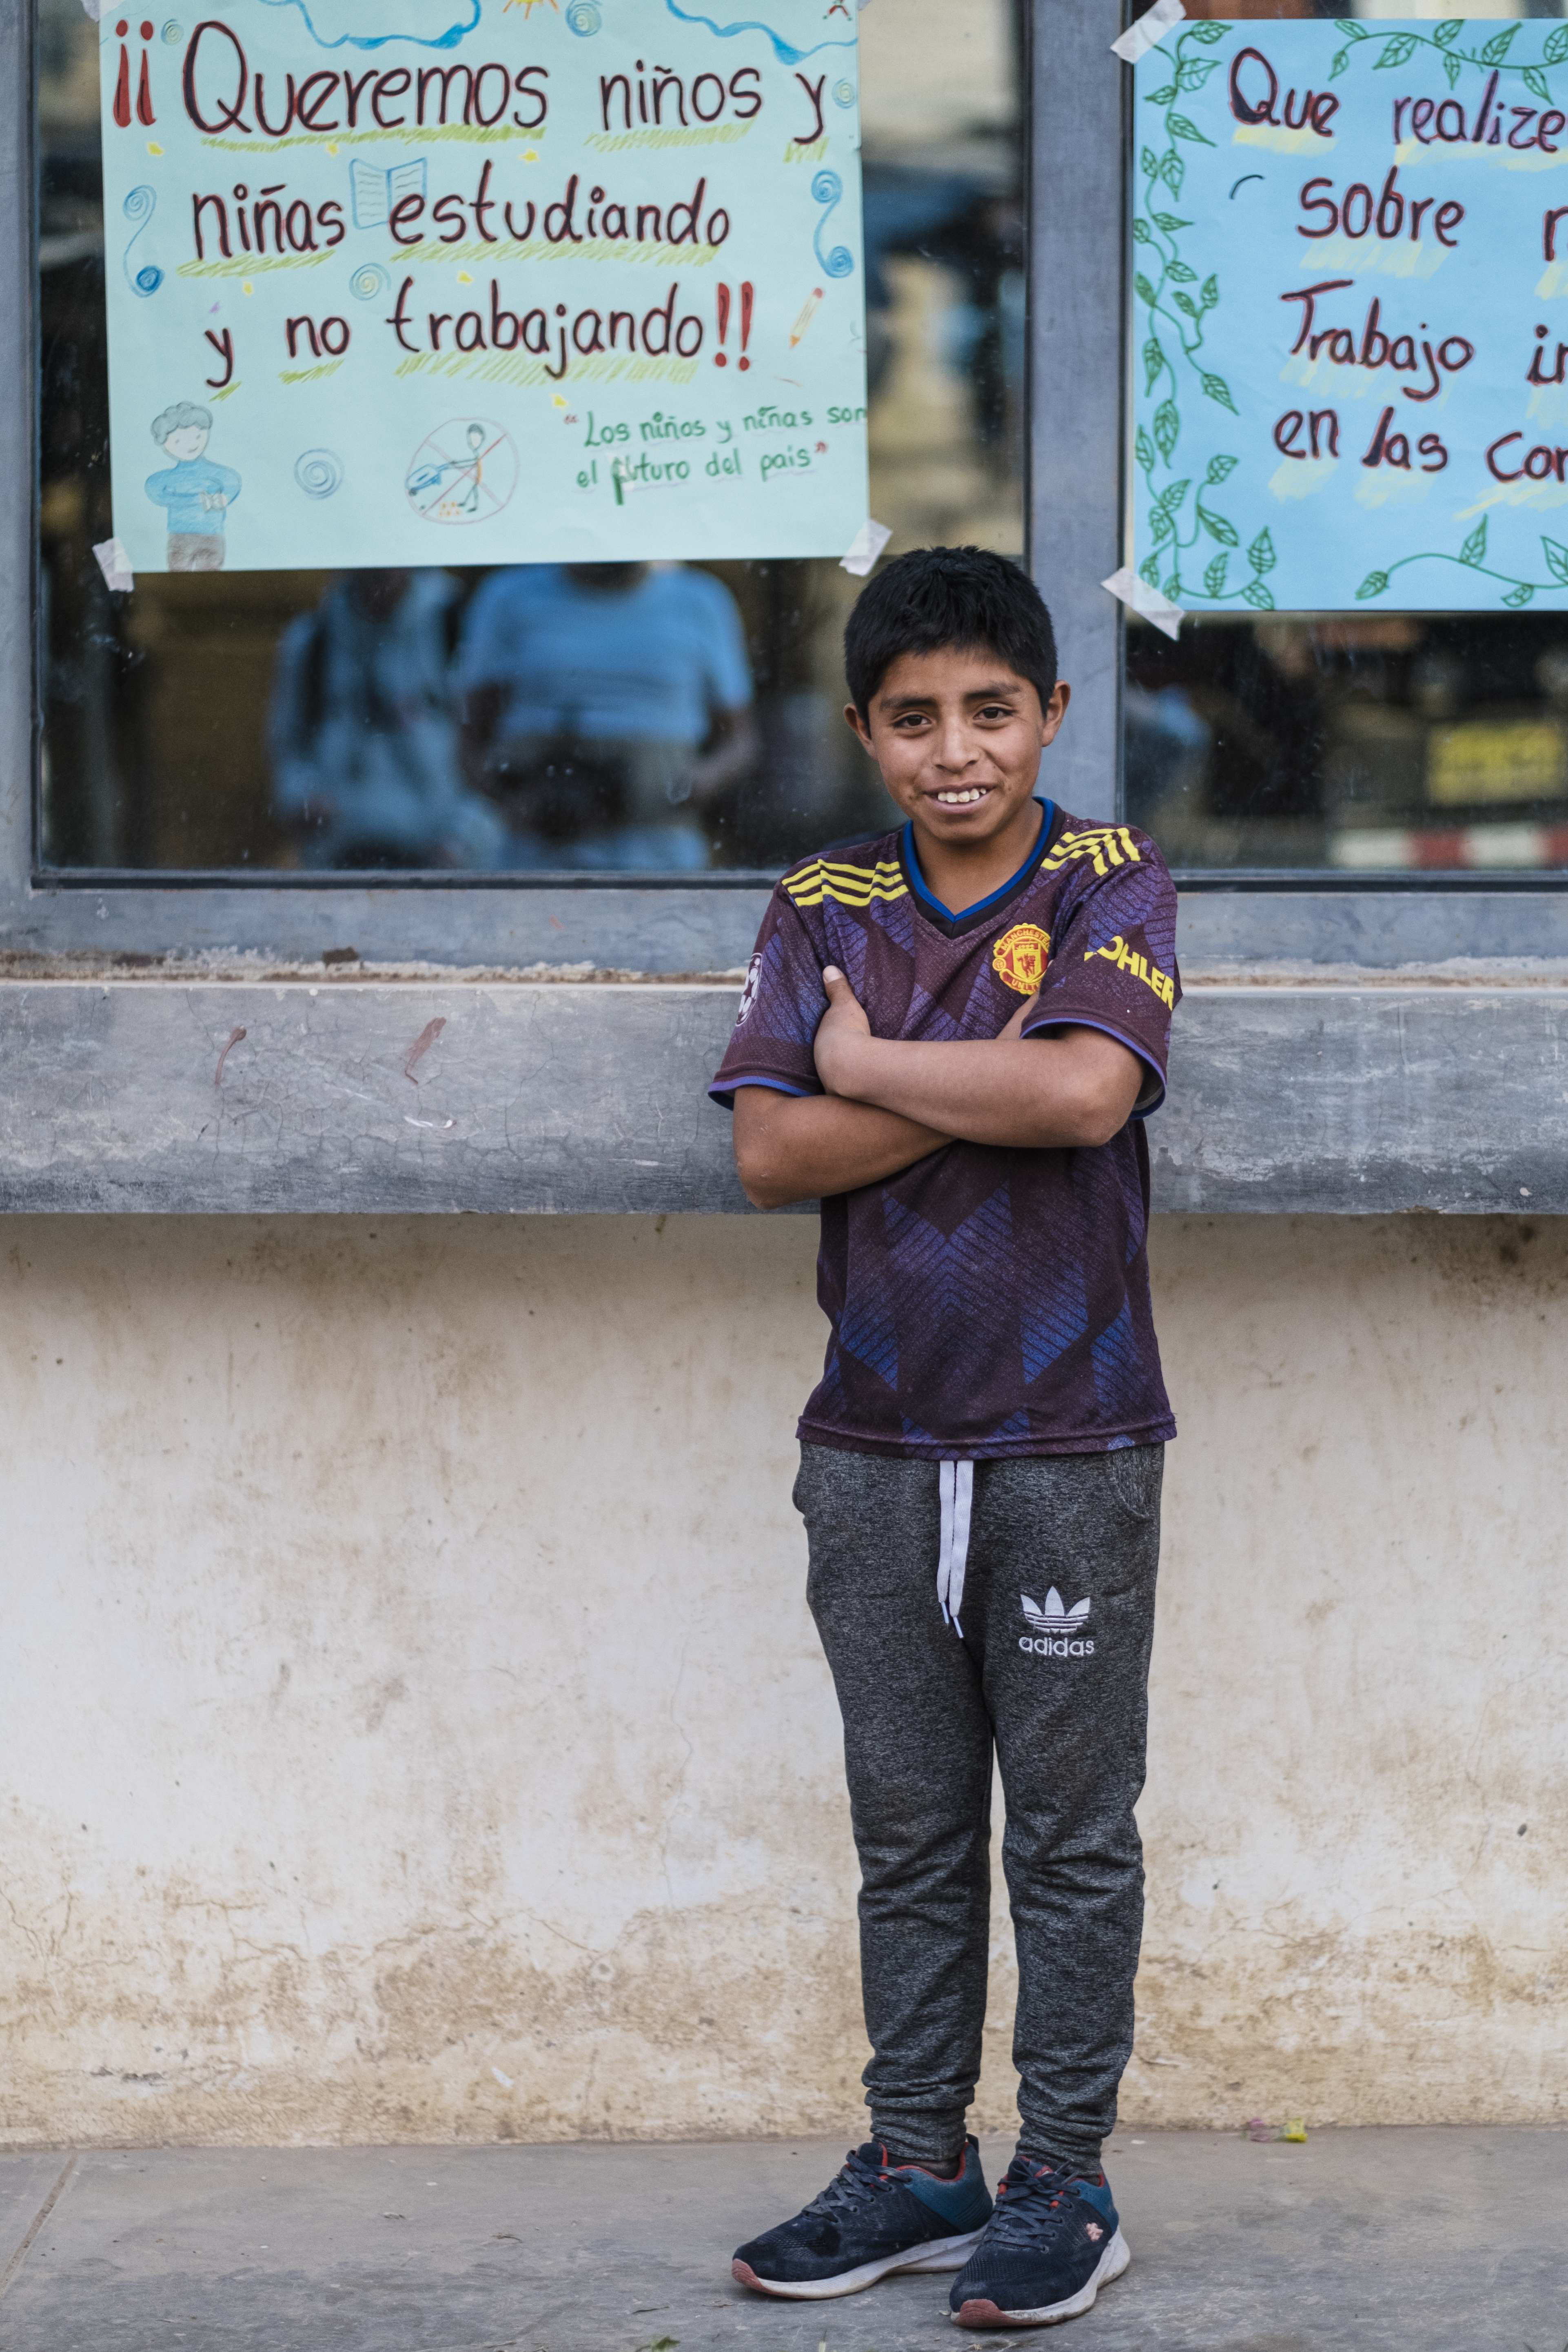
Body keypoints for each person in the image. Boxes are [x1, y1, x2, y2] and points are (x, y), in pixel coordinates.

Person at [710, 546, 1180, 2330]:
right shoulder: (821, 906)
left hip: (1071, 1438)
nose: (954, 748)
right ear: (863, 731)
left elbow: (1082, 1093)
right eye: (913, 718)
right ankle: (920, 2161)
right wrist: (955, 1077)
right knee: (906, 1827)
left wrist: (872, 1067)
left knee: (1068, 1831)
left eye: (991, 709)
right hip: (877, 1452)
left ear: (1051, 716)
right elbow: (768, 1154)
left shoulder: (1108, 878)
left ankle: (1064, 2176)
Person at [455, 560, 757, 870]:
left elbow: (738, 741)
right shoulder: (509, 595)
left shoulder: (700, 600)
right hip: (535, 859)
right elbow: (469, 734)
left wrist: (690, 787)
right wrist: (513, 802)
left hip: (658, 859)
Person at [270, 568, 509, 870]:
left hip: (444, 860)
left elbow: (493, 755)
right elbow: (288, 749)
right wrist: (304, 799)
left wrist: (463, 840)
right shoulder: (313, 639)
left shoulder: (458, 628)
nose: (378, 572)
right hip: (341, 858)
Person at [144, 401, 241, 573]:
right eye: (179, 441)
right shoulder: (168, 478)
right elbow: (153, 489)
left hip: (212, 535)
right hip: (180, 535)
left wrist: (225, 498)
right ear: (164, 443)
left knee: (211, 577)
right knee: (178, 576)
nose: (191, 445)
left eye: (198, 436)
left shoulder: (216, 472)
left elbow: (233, 482)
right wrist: (192, 501)